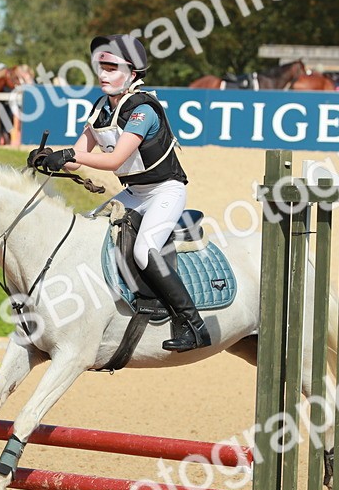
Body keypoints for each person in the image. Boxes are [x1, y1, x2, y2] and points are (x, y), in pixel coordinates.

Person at [26, 34, 209, 353]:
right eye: (101, 66)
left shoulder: (143, 110)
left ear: (133, 74)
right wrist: (51, 157)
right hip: (135, 192)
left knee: (144, 250)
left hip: (166, 191)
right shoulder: (101, 108)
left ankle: (192, 324)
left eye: (112, 67)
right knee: (86, 229)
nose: (103, 73)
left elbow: (113, 159)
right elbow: (78, 157)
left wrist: (70, 155)